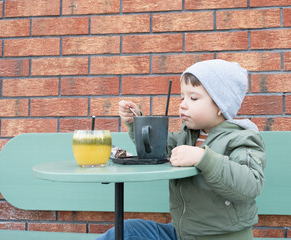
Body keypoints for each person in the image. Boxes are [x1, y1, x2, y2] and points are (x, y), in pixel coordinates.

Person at [96, 59, 266, 240]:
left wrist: (204, 158)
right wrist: (136, 121)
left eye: (193, 98)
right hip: (181, 234)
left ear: (220, 105)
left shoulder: (242, 138)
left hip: (222, 236)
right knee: (126, 232)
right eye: (182, 97)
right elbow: (156, 149)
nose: (183, 104)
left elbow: (251, 184)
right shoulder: (187, 137)